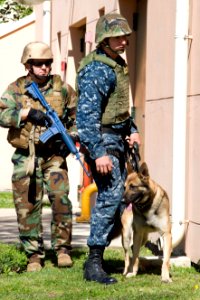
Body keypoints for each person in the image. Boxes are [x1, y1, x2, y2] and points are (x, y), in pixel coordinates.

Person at [0, 41, 77, 272]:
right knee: (27, 205)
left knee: (60, 198)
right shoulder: (16, 89)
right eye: (38, 64)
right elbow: (2, 115)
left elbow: (77, 118)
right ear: (28, 65)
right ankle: (34, 255)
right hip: (27, 155)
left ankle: (62, 249)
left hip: (54, 156)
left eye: (47, 63)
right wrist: (26, 113)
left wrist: (69, 140)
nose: (44, 68)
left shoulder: (63, 89)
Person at [76, 13, 141, 284]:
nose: (124, 40)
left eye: (125, 36)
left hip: (116, 138)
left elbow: (118, 111)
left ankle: (97, 257)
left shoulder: (115, 64)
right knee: (110, 197)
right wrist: (98, 151)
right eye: (118, 36)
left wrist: (133, 129)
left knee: (116, 199)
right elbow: (86, 116)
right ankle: (93, 264)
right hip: (102, 141)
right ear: (104, 40)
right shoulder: (97, 70)